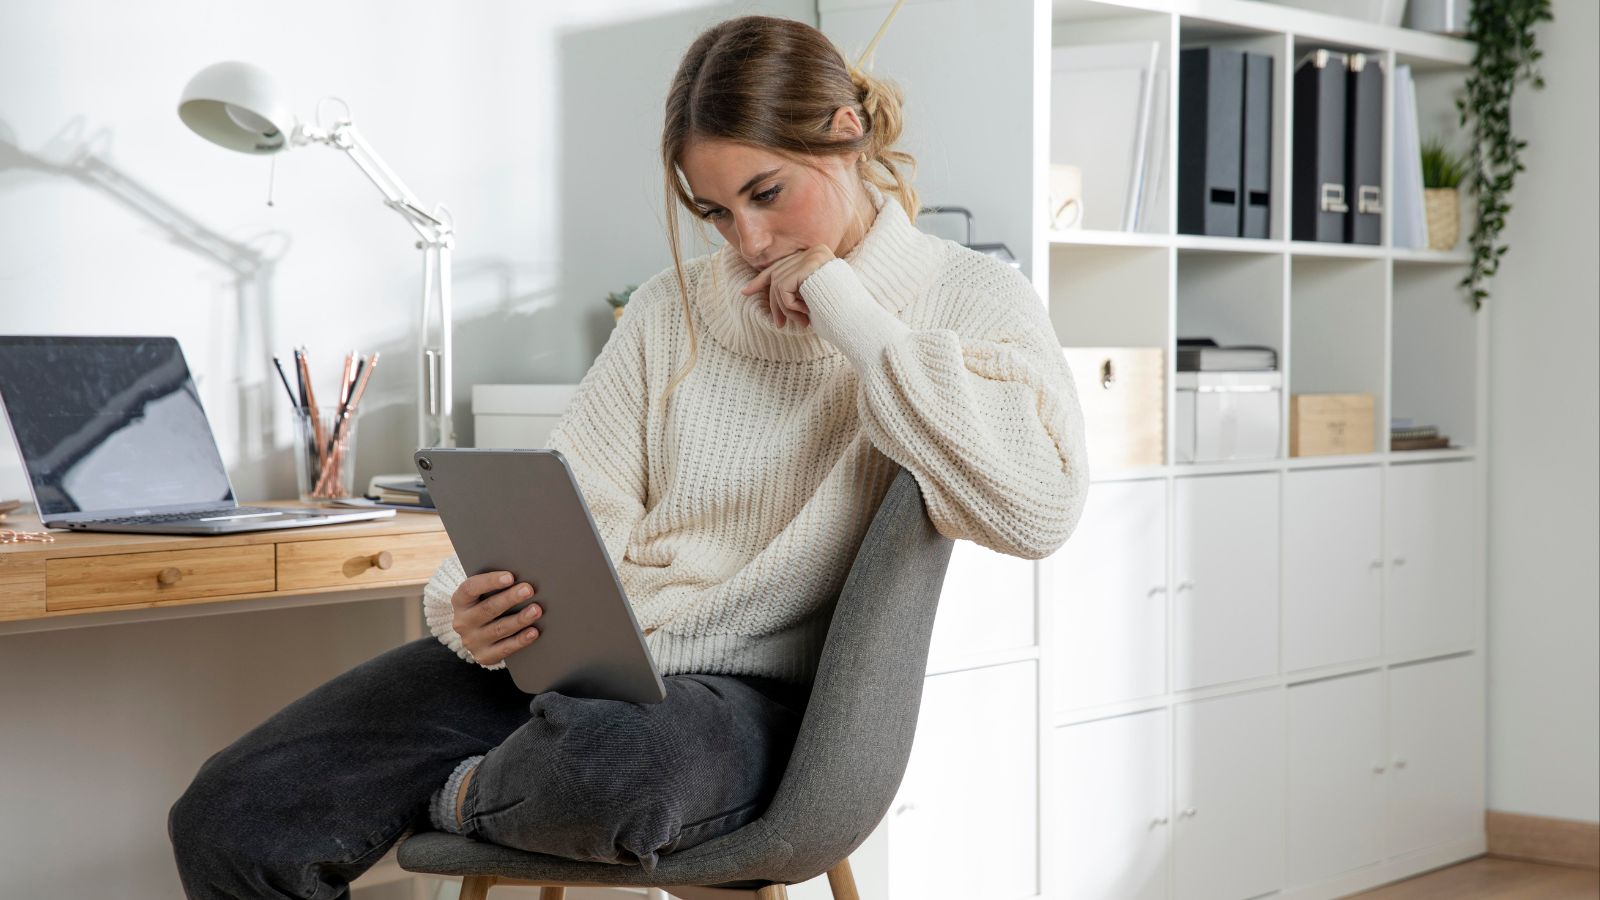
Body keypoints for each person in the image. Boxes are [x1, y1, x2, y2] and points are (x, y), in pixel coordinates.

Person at [167, 13, 1088, 899]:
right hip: (578, 669)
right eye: (716, 213)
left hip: (749, 706)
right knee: (231, 815)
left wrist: (848, 308)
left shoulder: (968, 299)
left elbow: (1037, 509)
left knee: (609, 771)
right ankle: (511, 779)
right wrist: (468, 602)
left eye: (766, 194)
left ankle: (467, 790)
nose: (749, 241)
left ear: (845, 134)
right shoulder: (667, 308)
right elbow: (578, 496)